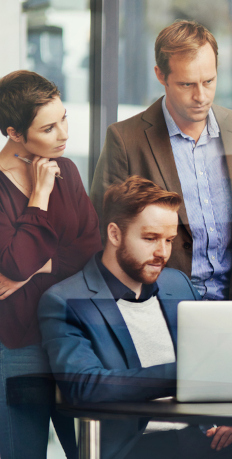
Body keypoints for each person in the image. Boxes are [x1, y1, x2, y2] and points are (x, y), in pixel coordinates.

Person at [38, 176, 232, 459]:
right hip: (134, 448)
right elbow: (85, 387)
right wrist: (185, 374)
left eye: (169, 240)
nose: (162, 253)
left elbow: (221, 359)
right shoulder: (64, 300)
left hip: (203, 439)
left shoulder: (178, 284)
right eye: (150, 238)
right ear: (115, 234)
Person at [89, 20, 232, 301]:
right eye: (186, 84)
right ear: (160, 75)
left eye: (209, 81)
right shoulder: (125, 140)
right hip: (157, 308)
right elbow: (104, 235)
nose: (201, 96)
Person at [0, 70, 101, 459]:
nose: (63, 134)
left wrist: (37, 270)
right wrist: (39, 194)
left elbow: (90, 253)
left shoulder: (68, 171)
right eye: (48, 128)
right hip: (17, 346)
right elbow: (14, 261)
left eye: (64, 118)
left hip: (74, 340)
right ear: (15, 133)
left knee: (90, 451)